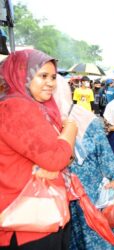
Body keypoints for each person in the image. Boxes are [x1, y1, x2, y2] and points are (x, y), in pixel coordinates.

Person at [0, 49, 77, 249]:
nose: (51, 83)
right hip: (27, 223)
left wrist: (59, 158)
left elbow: (64, 157)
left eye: (53, 77)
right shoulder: (17, 107)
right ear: (21, 75)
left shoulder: (31, 107)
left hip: (33, 215)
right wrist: (71, 128)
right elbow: (57, 158)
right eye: (42, 76)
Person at [53, 75, 114, 250]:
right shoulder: (41, 120)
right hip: (58, 198)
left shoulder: (86, 119)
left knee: (94, 240)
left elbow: (106, 156)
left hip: (88, 198)